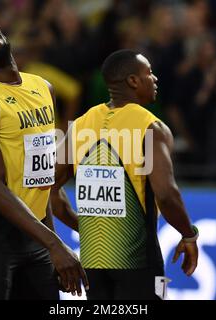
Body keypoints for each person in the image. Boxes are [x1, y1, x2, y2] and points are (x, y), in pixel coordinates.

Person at [0, 17, 88, 300]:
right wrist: (55, 245)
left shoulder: (43, 88)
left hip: (35, 236)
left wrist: (52, 241)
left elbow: (42, 179)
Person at [51, 49, 199, 300]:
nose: (155, 79)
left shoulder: (81, 124)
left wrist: (81, 227)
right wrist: (188, 234)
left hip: (93, 261)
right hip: (140, 259)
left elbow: (48, 188)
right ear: (133, 81)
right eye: (149, 73)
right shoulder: (151, 127)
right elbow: (166, 193)